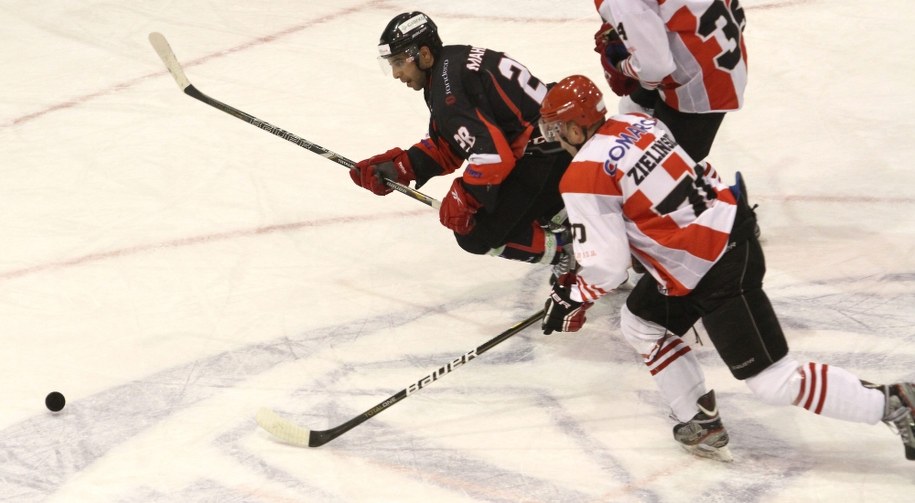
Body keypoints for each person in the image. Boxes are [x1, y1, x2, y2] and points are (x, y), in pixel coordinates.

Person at [536, 74, 915, 462]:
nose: (556, 140)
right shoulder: (639, 123)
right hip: (719, 235)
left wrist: (572, 296)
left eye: (555, 130)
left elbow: (609, 267)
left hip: (714, 263)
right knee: (641, 323)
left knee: (772, 381)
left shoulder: (582, 176)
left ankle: (895, 403)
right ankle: (698, 420)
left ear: (572, 126)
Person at [349, 12, 573, 273]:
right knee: (503, 206)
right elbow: (449, 145)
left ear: (424, 54)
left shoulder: (447, 92)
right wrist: (399, 168)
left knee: (475, 232)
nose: (396, 73)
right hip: (560, 141)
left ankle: (569, 251)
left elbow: (493, 157)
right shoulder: (450, 65)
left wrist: (465, 196)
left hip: (549, 154)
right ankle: (566, 212)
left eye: (400, 62)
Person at [592, 0, 748, 163]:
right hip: (723, 55)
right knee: (631, 107)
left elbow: (654, 70)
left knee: (660, 167)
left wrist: (621, 67)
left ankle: (712, 187)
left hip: (701, 88)